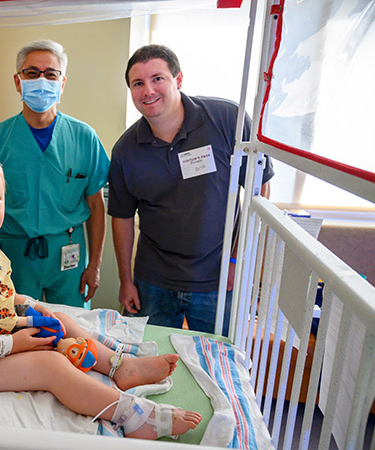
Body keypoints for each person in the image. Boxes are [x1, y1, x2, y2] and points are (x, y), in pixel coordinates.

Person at [0, 146, 201, 439]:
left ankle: (119, 366)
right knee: (50, 364)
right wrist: (10, 344)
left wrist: (28, 304)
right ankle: (132, 416)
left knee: (57, 317)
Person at [108, 44, 274, 334]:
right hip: (153, 281)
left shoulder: (227, 120)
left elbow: (260, 193)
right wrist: (125, 280)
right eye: (138, 83)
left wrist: (238, 258)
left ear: (178, 79)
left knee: (217, 363)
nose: (148, 90)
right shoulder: (125, 149)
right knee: (147, 360)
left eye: (157, 78)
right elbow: (121, 217)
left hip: (219, 278)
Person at [0, 39, 110, 309]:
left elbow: (96, 205)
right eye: (31, 73)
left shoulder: (84, 137)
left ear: (62, 84)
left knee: (74, 331)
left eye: (51, 74)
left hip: (69, 252)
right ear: (18, 82)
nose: (42, 80)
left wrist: (94, 266)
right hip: (13, 252)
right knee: (21, 329)